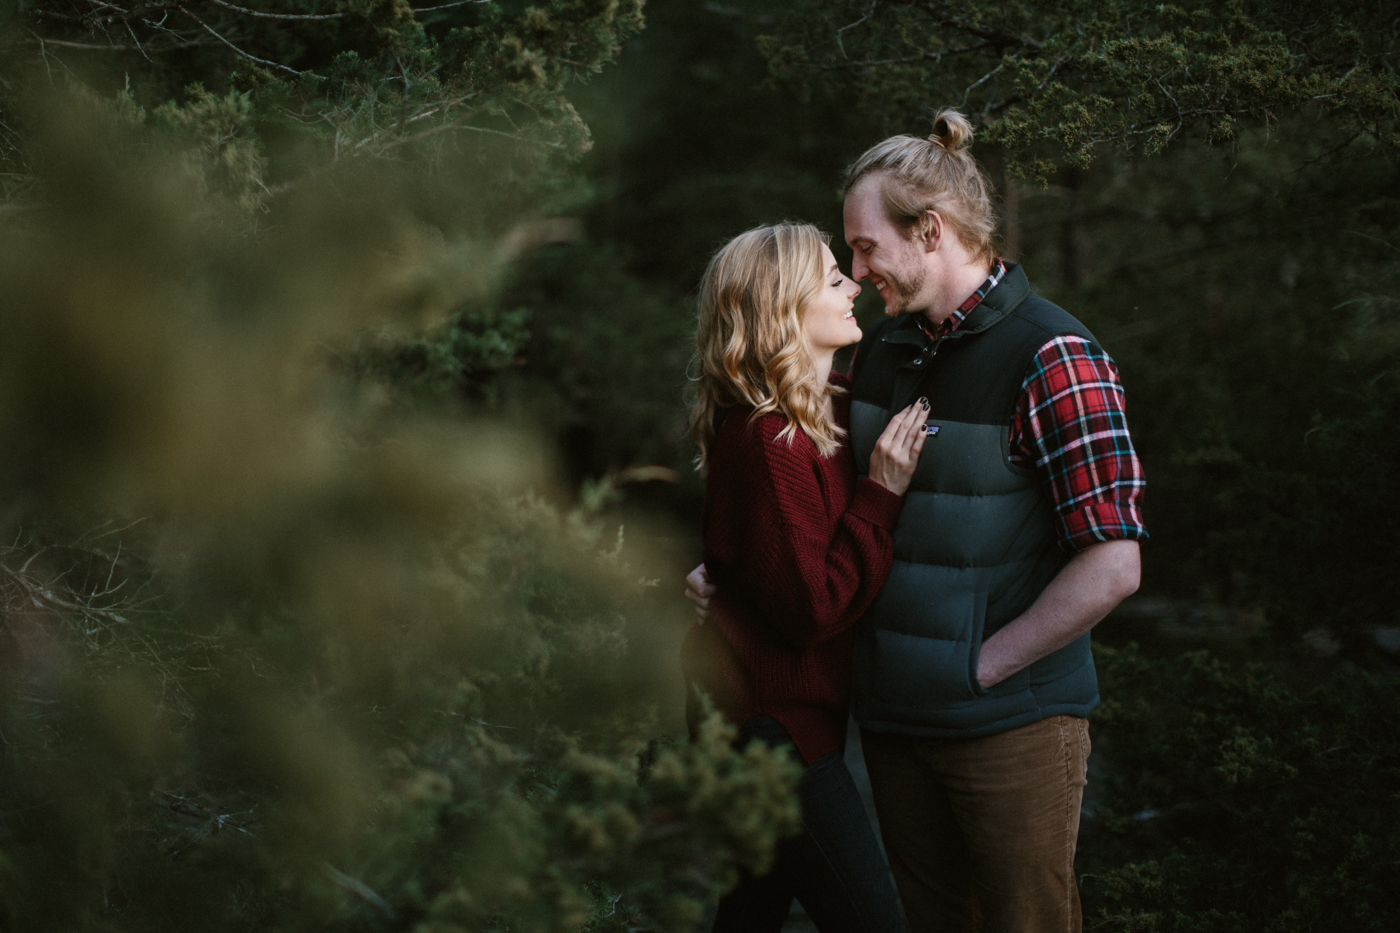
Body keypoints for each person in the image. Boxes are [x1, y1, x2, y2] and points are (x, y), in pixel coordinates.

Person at [687, 111, 1147, 933]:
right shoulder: (882, 352)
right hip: (893, 727)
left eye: (863, 249)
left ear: (929, 230)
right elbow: (779, 467)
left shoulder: (1057, 357)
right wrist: (729, 571)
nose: (856, 273)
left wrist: (983, 666)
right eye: (846, 258)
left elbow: (1114, 563)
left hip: (1008, 724)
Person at [684, 222, 930, 933]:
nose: (853, 284)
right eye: (831, 279)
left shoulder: (830, 409)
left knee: (750, 915)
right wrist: (880, 491)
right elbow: (812, 607)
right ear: (782, 310)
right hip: (768, 727)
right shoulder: (769, 440)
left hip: (789, 717)